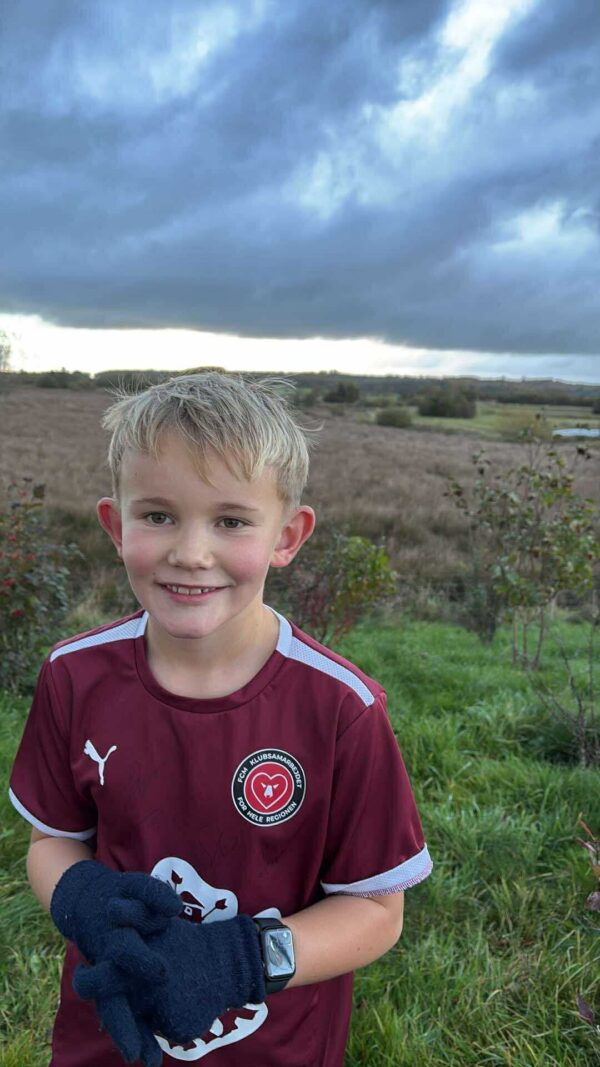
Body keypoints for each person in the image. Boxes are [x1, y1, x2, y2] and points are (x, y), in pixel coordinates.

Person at [8, 372, 433, 1067]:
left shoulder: (342, 709)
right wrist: (83, 899)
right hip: (107, 1036)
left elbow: (377, 912)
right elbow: (52, 839)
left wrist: (241, 960)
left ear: (286, 537)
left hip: (278, 1047)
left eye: (231, 521)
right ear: (115, 525)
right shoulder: (73, 674)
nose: (190, 552)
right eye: (158, 515)